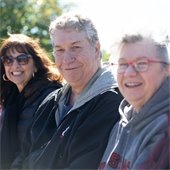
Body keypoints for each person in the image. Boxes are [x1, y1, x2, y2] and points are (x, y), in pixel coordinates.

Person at [14, 13, 123, 169]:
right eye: (60, 50)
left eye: (76, 47)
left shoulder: (111, 100)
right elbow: (24, 154)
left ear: (96, 49)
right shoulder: (51, 101)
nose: (66, 59)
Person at [99, 33, 170, 169]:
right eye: (123, 64)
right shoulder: (123, 120)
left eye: (142, 63)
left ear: (167, 69)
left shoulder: (165, 129)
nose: (129, 73)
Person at [0, 34, 63, 169]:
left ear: (36, 65)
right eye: (8, 60)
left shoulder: (49, 96)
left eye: (22, 59)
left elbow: (37, 150)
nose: (15, 65)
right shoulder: (12, 99)